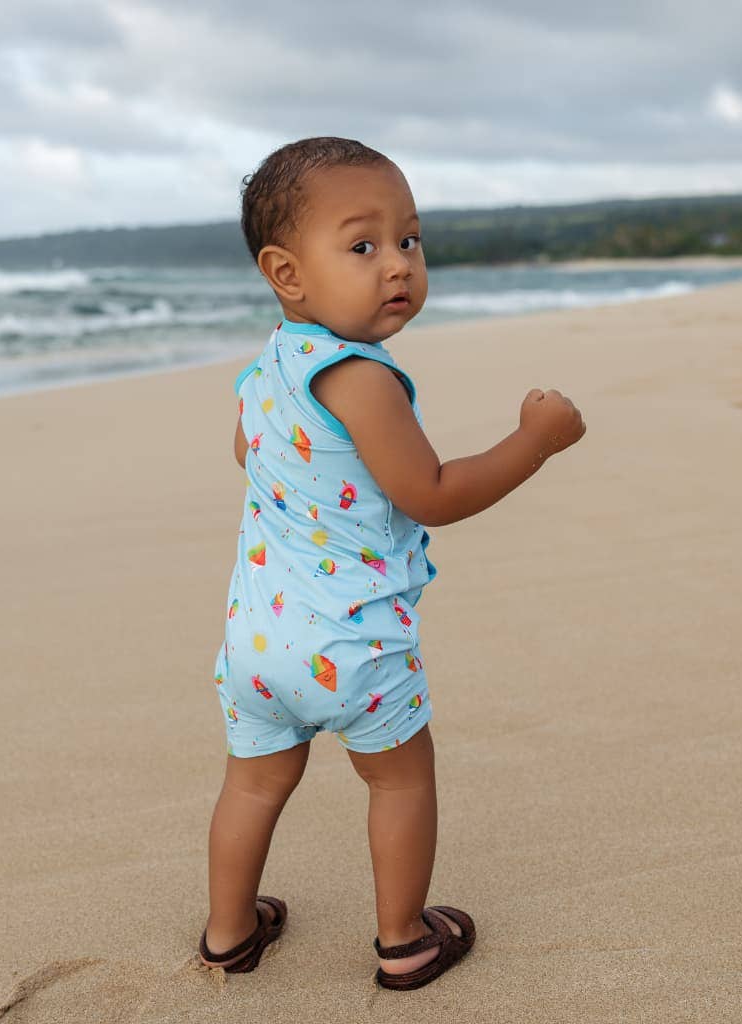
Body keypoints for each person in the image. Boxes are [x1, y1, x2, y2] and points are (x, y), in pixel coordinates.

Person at [197, 136, 586, 989]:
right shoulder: (362, 379)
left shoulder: (265, 372)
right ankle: (405, 939)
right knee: (400, 782)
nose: (398, 265)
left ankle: (229, 934)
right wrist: (535, 443)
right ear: (287, 272)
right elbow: (434, 493)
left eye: (409, 239)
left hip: (256, 642)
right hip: (353, 649)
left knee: (254, 788)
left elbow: (247, 454)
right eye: (363, 245)